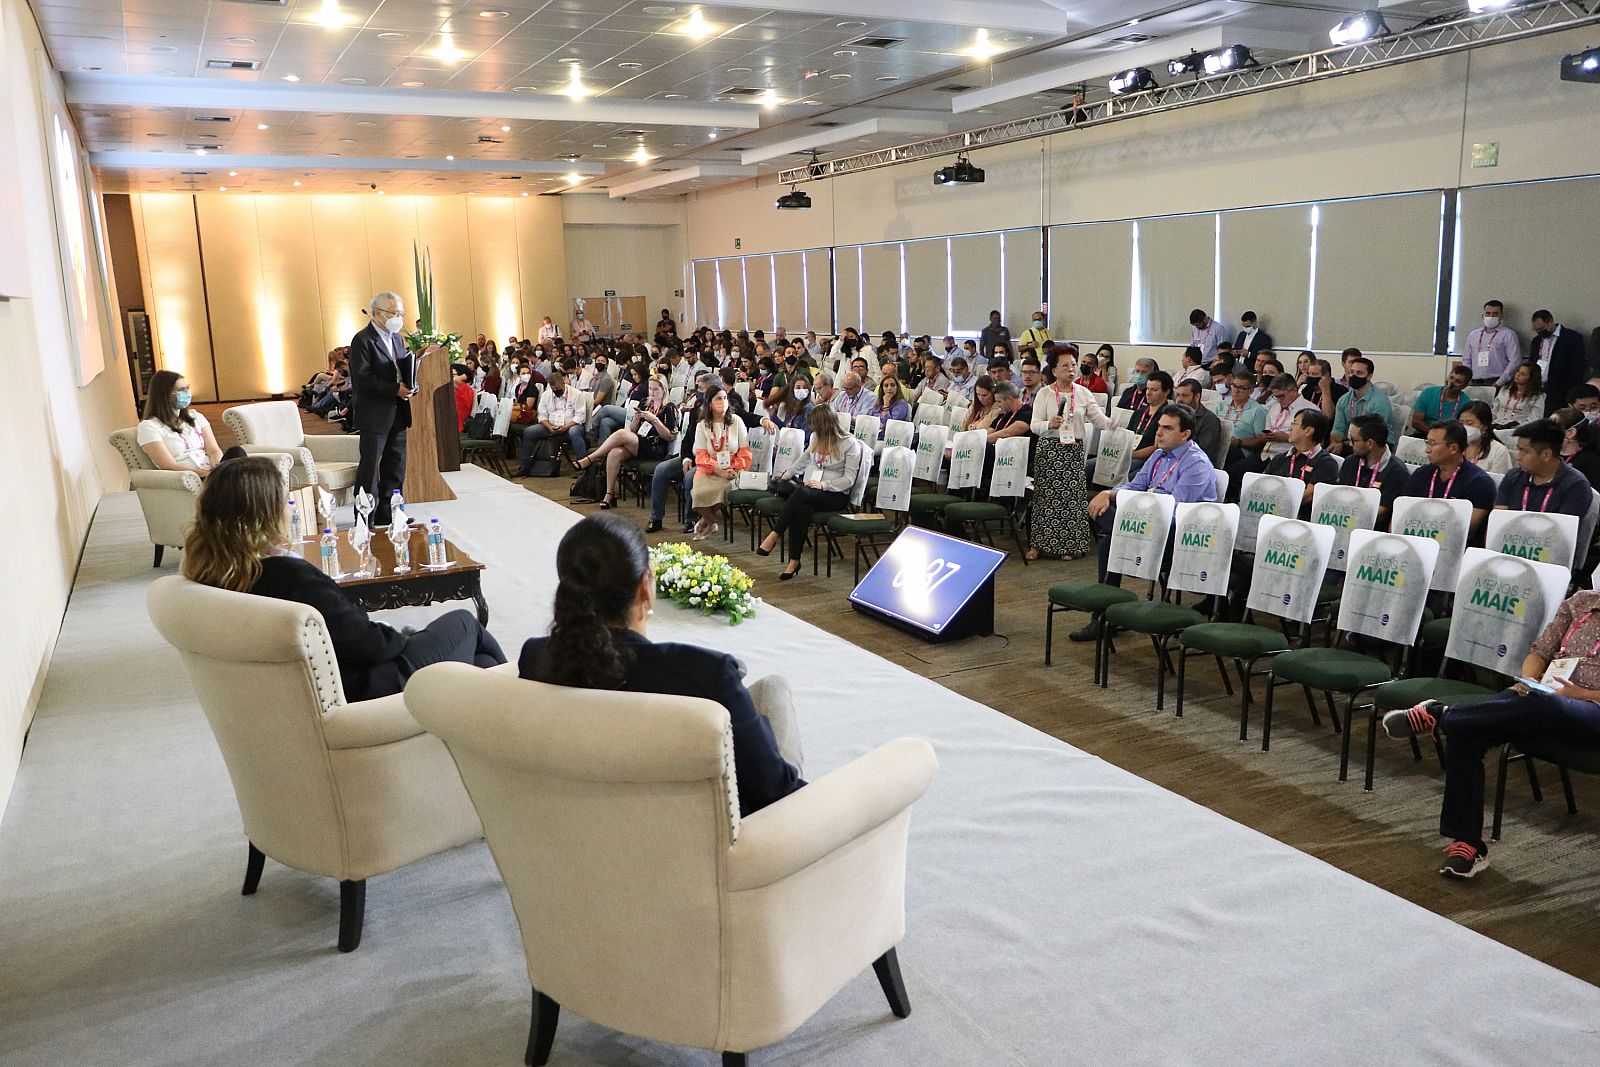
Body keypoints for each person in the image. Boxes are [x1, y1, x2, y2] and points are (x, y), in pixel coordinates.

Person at [519, 513, 802, 817]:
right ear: (645, 587)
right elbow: (774, 792)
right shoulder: (706, 674)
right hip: (710, 835)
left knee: (766, 690)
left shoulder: (536, 658)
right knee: (774, 690)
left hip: (578, 823)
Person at [184, 457, 505, 700]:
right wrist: (406, 640)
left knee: (481, 662)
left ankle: (504, 709)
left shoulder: (215, 572)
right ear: (264, 513)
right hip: (370, 688)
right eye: (283, 500)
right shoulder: (287, 576)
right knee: (465, 624)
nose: (289, 508)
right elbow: (368, 644)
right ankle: (520, 703)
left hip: (328, 684)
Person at [1381, 590, 1600, 878]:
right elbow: (1540, 652)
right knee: (1468, 731)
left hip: (1590, 709)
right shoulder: (1581, 602)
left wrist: (1578, 693)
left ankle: (1441, 715)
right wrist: (1531, 680)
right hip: (1542, 698)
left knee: (1539, 706)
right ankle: (1468, 843)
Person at [1077, 406, 1218, 639]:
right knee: (1104, 517)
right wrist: (1109, 493)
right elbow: (1135, 487)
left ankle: (1102, 618)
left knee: (1111, 541)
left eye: (1167, 428)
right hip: (1147, 522)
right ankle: (1105, 616)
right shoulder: (1159, 455)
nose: (1159, 433)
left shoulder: (1196, 463)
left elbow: (1176, 510)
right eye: (1159, 427)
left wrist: (1137, 512)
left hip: (1179, 535)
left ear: (1185, 434)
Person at [350, 292, 433, 526]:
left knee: (396, 466)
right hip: (374, 414)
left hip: (398, 410)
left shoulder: (397, 338)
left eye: (401, 313)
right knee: (370, 468)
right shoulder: (363, 340)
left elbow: (402, 368)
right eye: (394, 313)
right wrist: (395, 389)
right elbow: (363, 378)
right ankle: (365, 516)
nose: (398, 318)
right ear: (377, 313)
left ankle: (390, 513)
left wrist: (411, 385)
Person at [1028, 346, 1113, 561]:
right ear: (1054, 370)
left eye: (1073, 365)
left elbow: (1100, 420)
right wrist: (1049, 424)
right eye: (1065, 366)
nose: (1071, 369)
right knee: (1045, 499)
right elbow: (1034, 425)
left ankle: (1068, 545)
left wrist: (1116, 426)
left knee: (1071, 500)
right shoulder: (1045, 393)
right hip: (1049, 450)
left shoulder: (1083, 393)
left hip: (1072, 450)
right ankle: (1038, 544)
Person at [757, 407, 861, 580]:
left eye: (815, 425)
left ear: (825, 424)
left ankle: (775, 533)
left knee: (801, 492)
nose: (812, 429)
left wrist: (824, 485)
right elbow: (803, 460)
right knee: (802, 509)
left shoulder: (849, 444)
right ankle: (794, 561)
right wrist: (786, 475)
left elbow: (849, 479)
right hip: (812, 491)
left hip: (836, 494)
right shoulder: (816, 438)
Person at [574, 377, 678, 509]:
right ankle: (609, 494)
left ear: (664, 390)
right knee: (614, 453)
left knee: (622, 433)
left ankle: (591, 458)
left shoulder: (669, 408)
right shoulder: (645, 403)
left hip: (655, 447)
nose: (652, 392)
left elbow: (669, 437)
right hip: (639, 442)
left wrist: (655, 420)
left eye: (656, 389)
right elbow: (633, 430)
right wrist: (636, 419)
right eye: (650, 388)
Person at [1404, 421, 1498, 540]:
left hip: (1453, 545)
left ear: (1453, 448)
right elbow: (1401, 516)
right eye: (1427, 443)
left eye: (1433, 444)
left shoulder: (1479, 483)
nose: (1427, 450)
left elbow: (1466, 530)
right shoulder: (1421, 474)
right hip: (1415, 540)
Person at [1494, 418, 1593, 521]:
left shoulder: (1575, 485)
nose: (1518, 457)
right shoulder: (1513, 476)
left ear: (1546, 455)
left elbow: (1564, 529)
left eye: (1524, 452)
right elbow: (1499, 521)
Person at [137, 369, 230, 477]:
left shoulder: (196, 417)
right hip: (190, 476)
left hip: (212, 470)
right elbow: (169, 465)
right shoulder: (149, 426)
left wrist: (217, 468)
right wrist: (206, 474)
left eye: (187, 388)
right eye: (181, 390)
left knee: (236, 452)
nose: (187, 393)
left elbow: (213, 450)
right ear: (165, 395)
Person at [689, 387, 750, 541]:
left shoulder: (736, 421)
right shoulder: (702, 425)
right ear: (709, 403)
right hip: (709, 468)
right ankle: (711, 522)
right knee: (697, 494)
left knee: (721, 491)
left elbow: (745, 451)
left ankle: (707, 521)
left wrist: (736, 469)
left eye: (724, 398)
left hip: (732, 469)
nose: (722, 402)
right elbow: (701, 454)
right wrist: (718, 470)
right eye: (718, 398)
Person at [1338, 413, 1409, 527]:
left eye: (1354, 440)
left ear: (1370, 443)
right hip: (1342, 520)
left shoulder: (1397, 472)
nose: (1350, 444)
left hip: (1371, 529)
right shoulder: (1351, 461)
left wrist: (1349, 518)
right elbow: (1339, 495)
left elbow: (1382, 511)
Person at [1264, 409, 1341, 513]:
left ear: (1308, 431)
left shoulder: (1326, 463)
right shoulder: (1280, 459)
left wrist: (1275, 503)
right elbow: (1263, 485)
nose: (1290, 428)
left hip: (1302, 518)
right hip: (1271, 513)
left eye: (1294, 424)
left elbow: (1308, 496)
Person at [517, 366, 587, 478]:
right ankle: (525, 466)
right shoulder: (546, 395)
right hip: (551, 426)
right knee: (529, 432)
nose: (556, 391)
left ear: (563, 383)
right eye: (553, 389)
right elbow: (542, 415)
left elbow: (580, 416)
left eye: (558, 388)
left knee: (575, 432)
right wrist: (549, 426)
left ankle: (582, 466)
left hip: (570, 426)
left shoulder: (576, 394)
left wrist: (566, 427)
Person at [1330, 356, 1393, 453]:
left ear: (1369, 376)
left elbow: (1373, 433)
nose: (1353, 376)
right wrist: (1334, 442)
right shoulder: (1343, 400)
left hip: (1376, 444)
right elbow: (1338, 428)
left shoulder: (1379, 401)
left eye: (1359, 373)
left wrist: (1343, 445)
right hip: (1351, 443)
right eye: (1352, 372)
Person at [1531, 309, 1587, 416]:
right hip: (1540, 389)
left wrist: (1570, 391)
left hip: (1561, 389)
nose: (1539, 332)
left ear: (1550, 322)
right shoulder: (1536, 341)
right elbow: (1532, 363)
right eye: (1536, 330)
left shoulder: (1572, 337)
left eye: (1541, 329)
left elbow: (1577, 367)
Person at [1259, 373, 1316, 464]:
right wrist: (1266, 436)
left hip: (1291, 457)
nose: (1279, 400)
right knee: (1239, 469)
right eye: (1275, 397)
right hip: (1267, 455)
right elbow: (1267, 428)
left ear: (1294, 390)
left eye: (1281, 396)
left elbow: (1313, 440)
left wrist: (1287, 437)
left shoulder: (1310, 410)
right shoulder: (1274, 407)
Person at [1462, 300, 1521, 385]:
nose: (1491, 316)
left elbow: (1515, 361)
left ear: (1501, 315)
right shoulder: (1473, 335)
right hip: (1475, 381)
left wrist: (1500, 382)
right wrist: (1468, 378)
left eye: (1495, 314)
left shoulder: (1508, 334)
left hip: (1497, 381)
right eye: (1488, 313)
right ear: (1483, 315)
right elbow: (1466, 359)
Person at [1128, 371, 1174, 468]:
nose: (1148, 393)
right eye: (1147, 388)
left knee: (1124, 468)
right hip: (1128, 454)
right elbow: (1127, 436)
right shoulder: (1139, 412)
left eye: (1154, 390)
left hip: (1148, 459)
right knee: (1096, 464)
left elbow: (1158, 447)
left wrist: (1130, 455)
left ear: (1166, 392)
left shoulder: (1168, 417)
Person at [1412, 365, 1473, 436]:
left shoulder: (1467, 403)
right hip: (1424, 433)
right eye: (1451, 378)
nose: (1451, 382)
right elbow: (1416, 422)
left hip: (1450, 437)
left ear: (1464, 386)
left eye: (1458, 381)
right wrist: (1435, 435)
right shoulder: (1428, 393)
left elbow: (1464, 429)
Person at [1173, 379, 1222, 462]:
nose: (1180, 399)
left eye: (1185, 395)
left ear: (1197, 397)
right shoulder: (1173, 415)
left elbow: (1202, 453)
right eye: (1178, 395)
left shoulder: (1210, 420)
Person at [1459, 400, 1511, 475]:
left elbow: (1497, 480)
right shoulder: (1454, 445)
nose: (1465, 427)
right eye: (1461, 423)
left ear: (1485, 426)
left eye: (1470, 423)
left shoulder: (1499, 450)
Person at [1493, 362, 1543, 428]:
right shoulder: (1505, 390)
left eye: (1523, 374)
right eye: (1518, 371)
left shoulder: (1536, 397)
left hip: (1517, 429)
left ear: (1531, 379)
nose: (1518, 375)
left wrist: (1515, 427)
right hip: (1496, 425)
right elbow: (1494, 411)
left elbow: (1534, 421)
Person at [451, 363, 474, 431]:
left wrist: (459, 378)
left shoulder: (465, 389)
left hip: (459, 423)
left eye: (453, 375)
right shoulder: (455, 388)